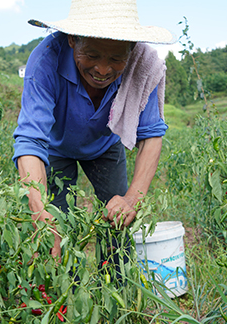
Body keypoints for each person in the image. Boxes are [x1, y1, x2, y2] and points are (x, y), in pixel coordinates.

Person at [12, 0, 175, 259]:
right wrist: (38, 209)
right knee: (57, 224)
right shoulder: (46, 60)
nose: (102, 69)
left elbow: (151, 135)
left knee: (119, 223)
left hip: (105, 145)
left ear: (131, 50)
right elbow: (31, 140)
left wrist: (132, 199)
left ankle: (114, 286)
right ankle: (66, 290)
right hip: (55, 147)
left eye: (115, 58)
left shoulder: (144, 66)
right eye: (92, 55)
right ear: (73, 40)